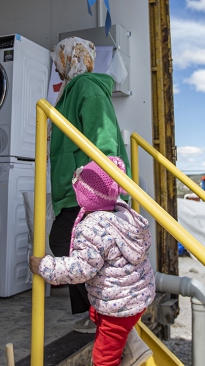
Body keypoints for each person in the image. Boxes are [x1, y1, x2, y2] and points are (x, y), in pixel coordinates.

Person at [30, 158, 155, 366]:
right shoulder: (122, 213)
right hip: (138, 296)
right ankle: (133, 346)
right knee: (96, 313)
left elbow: (80, 270)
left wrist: (44, 266)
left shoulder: (91, 228)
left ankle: (131, 350)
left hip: (118, 307)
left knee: (103, 358)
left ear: (87, 197)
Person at [48, 37, 131, 334]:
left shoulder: (85, 87)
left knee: (66, 243)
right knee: (72, 245)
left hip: (89, 191)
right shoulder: (71, 91)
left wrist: (103, 187)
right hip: (76, 189)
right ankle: (95, 313)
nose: (57, 68)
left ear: (70, 59)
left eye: (59, 61)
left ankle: (99, 313)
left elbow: (104, 138)